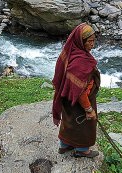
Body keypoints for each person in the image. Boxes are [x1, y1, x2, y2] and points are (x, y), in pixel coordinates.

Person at [52, 23, 100, 158]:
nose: (92, 45)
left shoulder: (69, 53)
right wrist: (89, 109)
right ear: (81, 41)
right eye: (89, 41)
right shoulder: (81, 62)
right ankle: (82, 150)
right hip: (80, 102)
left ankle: (64, 145)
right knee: (84, 125)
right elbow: (81, 92)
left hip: (67, 98)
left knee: (69, 121)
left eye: (93, 41)